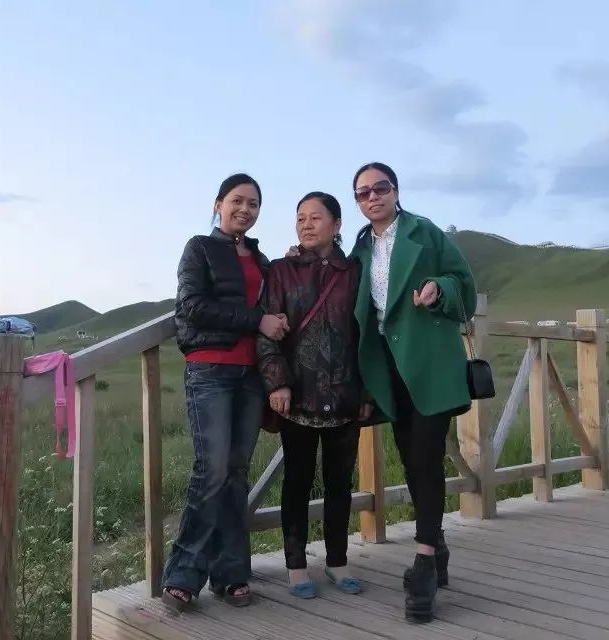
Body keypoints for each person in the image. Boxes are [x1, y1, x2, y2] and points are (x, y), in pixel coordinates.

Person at [349, 162, 477, 623]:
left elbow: (465, 287)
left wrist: (439, 289)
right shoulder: (360, 248)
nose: (372, 197)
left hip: (429, 363)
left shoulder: (426, 232)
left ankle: (424, 563)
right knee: (411, 457)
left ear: (396, 190)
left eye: (380, 187)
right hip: (388, 370)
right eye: (363, 193)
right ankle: (436, 545)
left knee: (425, 457)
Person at [161, 173, 289, 612]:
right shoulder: (199, 248)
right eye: (237, 201)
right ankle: (183, 574)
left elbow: (278, 301)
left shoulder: (263, 260)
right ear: (219, 204)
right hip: (210, 369)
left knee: (236, 473)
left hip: (251, 376)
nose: (245, 210)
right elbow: (191, 306)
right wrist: (256, 320)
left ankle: (231, 573)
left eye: (253, 204)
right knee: (211, 470)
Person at [257, 192, 373, 599]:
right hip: (298, 396)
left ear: (337, 225)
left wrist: (367, 391)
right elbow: (267, 332)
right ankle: (295, 566)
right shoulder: (281, 270)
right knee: (297, 481)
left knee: (340, 483)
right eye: (300, 218)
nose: (306, 225)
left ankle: (338, 562)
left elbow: (368, 337)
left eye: (316, 218)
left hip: (345, 396)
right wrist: (277, 382)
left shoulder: (356, 272)